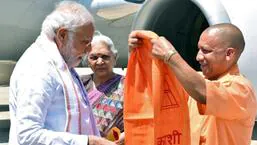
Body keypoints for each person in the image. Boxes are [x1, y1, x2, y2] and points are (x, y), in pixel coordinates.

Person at [128, 23, 257, 145]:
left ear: (229, 53)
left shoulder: (241, 90)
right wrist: (140, 51)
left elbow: (201, 91)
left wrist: (170, 55)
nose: (198, 57)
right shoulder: (196, 80)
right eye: (199, 50)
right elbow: (159, 83)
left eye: (206, 51)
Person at [9, 1, 116, 145]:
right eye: (85, 42)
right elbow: (28, 135)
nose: (88, 49)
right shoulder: (39, 69)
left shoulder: (62, 63)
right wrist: (88, 142)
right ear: (63, 35)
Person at [81, 32, 125, 145]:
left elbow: (141, 118)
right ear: (87, 60)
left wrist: (127, 134)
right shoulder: (78, 84)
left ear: (115, 58)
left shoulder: (128, 85)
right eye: (94, 57)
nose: (100, 62)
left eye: (105, 57)